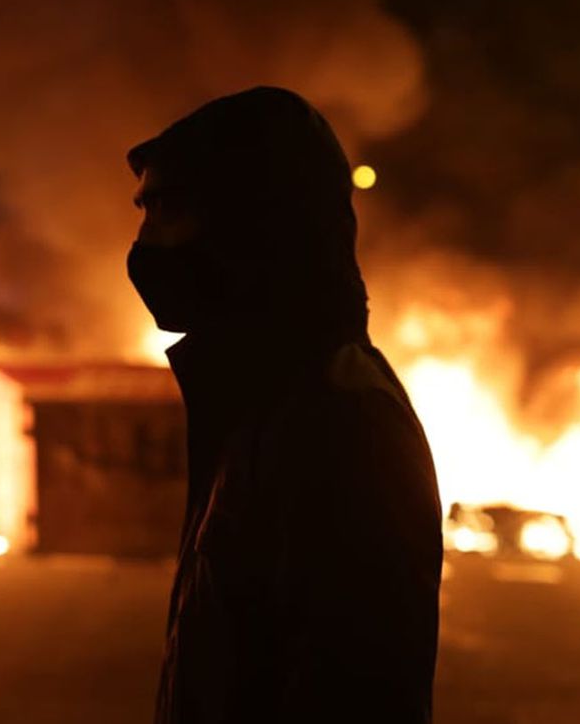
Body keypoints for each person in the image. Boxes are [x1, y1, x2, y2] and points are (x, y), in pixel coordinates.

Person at [126, 87, 443, 723]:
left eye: (166, 212)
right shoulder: (267, 403)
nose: (143, 246)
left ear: (253, 222)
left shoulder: (340, 425)